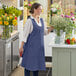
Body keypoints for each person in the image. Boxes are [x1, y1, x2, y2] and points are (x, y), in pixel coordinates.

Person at [19, 3, 54, 76]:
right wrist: (21, 47)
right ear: (34, 9)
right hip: (30, 48)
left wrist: (50, 28)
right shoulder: (29, 21)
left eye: (41, 10)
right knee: (28, 66)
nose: (40, 11)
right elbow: (24, 36)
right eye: (39, 9)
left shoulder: (41, 20)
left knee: (37, 66)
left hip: (39, 48)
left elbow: (44, 32)